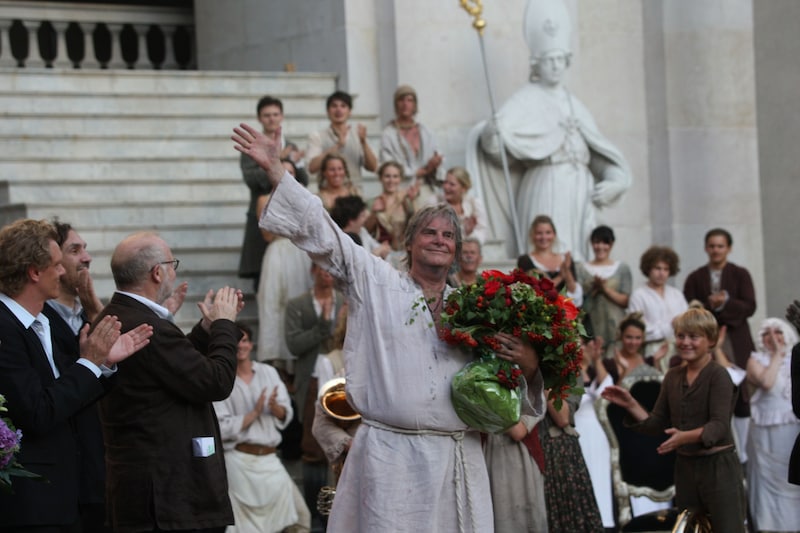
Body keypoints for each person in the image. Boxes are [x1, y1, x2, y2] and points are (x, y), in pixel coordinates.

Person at [232, 121, 545, 532]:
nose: (439, 239)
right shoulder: (375, 281)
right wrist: (277, 172)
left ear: (457, 249)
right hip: (391, 460)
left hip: (459, 460)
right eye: (429, 232)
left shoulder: (474, 309)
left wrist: (530, 365)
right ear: (409, 241)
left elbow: (503, 388)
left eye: (448, 235)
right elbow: (325, 235)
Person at [0, 219, 152, 531]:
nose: (62, 271)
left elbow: (73, 394)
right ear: (34, 271)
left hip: (73, 492)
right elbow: (37, 412)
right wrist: (89, 364)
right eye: (56, 264)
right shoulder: (5, 327)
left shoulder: (45, 320)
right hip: (32, 505)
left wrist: (102, 364)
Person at [95, 232, 244, 533]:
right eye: (172, 264)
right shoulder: (147, 325)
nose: (174, 273)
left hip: (147, 490)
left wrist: (204, 331)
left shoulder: (121, 314)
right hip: (167, 497)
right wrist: (225, 325)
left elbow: (170, 370)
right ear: (157, 272)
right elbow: (215, 382)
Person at [467, 0, 631, 260]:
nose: (555, 66)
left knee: (577, 260)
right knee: (545, 255)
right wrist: (492, 135)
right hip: (545, 185)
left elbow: (599, 158)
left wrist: (616, 180)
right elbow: (500, 153)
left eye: (559, 59)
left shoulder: (575, 103)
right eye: (548, 60)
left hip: (580, 193)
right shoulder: (524, 99)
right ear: (536, 63)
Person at [601, 308, 746, 532]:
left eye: (693, 336)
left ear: (710, 340)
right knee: (689, 528)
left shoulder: (718, 375)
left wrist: (683, 437)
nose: (685, 342)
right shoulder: (673, 376)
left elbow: (718, 426)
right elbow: (656, 423)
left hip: (718, 469)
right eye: (680, 336)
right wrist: (631, 403)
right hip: (686, 468)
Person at [213, 322, 311, 533]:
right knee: (246, 528)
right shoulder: (221, 378)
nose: (241, 345)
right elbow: (219, 427)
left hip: (269, 459)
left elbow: (286, 414)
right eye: (236, 341)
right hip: (238, 462)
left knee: (302, 519)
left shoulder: (268, 372)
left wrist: (274, 407)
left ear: (251, 344)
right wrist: (254, 413)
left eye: (245, 340)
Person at [683, 228, 756, 461]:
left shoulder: (740, 274)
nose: (716, 250)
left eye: (720, 246)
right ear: (706, 248)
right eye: (712, 246)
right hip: (705, 340)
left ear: (728, 248)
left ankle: (744, 453)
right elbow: (690, 307)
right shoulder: (696, 277)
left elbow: (749, 306)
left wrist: (726, 303)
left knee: (741, 390)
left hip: (735, 339)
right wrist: (708, 306)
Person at [284, 263, 345, 529]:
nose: (326, 273)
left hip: (341, 373)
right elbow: (293, 344)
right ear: (312, 272)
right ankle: (315, 516)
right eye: (321, 269)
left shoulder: (345, 301)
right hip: (311, 379)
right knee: (312, 445)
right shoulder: (297, 304)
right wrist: (321, 327)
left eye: (330, 269)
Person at [239, 95, 308, 288]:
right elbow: (251, 180)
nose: (271, 118)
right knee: (261, 276)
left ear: (282, 117)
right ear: (260, 118)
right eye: (267, 115)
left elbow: (304, 180)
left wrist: (293, 163)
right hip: (262, 214)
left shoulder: (291, 146)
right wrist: (275, 161)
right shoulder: (250, 146)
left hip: (290, 215)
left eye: (275, 114)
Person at [255, 160, 314, 364]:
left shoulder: (304, 198)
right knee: (272, 301)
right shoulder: (264, 199)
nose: (285, 175)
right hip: (277, 252)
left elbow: (309, 227)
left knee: (297, 296)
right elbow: (266, 234)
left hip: (300, 252)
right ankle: (276, 357)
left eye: (290, 172)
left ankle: (296, 357)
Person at [745, 317, 800, 532]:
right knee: (768, 483)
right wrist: (777, 354)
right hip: (765, 432)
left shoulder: (795, 358)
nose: (772, 337)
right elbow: (767, 383)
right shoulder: (755, 360)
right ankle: (770, 526)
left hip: (790, 428)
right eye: (767, 333)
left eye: (777, 332)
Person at [379, 85, 444, 210]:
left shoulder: (425, 131)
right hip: (400, 188)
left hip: (426, 187)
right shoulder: (388, 133)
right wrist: (417, 171)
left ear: (415, 104)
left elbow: (437, 154)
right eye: (401, 100)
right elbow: (387, 163)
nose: (405, 104)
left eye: (409, 100)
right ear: (396, 104)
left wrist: (435, 163)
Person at [576, 225, 632, 356]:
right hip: (589, 327)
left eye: (605, 242)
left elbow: (625, 300)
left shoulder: (622, 268)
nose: (600, 246)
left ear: (611, 244)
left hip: (615, 329)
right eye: (597, 242)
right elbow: (578, 299)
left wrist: (604, 289)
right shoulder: (581, 268)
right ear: (592, 243)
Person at [627, 246, 688, 363]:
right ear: (648, 269)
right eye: (657, 268)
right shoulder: (639, 295)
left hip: (679, 350)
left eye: (666, 269)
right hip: (652, 350)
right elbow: (638, 330)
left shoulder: (676, 294)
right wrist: (669, 326)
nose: (661, 273)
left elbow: (688, 322)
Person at [306, 90, 377, 187]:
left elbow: (373, 167)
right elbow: (312, 167)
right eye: (334, 106)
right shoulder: (317, 136)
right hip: (327, 193)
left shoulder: (358, 135)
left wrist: (363, 143)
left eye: (343, 106)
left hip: (354, 193)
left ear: (350, 111)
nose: (338, 110)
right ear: (328, 111)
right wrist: (337, 146)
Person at [517, 215, 583, 306]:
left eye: (548, 232)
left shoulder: (565, 259)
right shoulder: (525, 260)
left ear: (554, 234)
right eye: (539, 233)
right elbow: (535, 290)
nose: (544, 237)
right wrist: (561, 276)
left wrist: (566, 271)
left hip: (565, 311)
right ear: (532, 235)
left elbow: (574, 293)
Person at [364, 160, 414, 252]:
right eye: (387, 176)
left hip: (403, 252)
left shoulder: (406, 202)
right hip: (381, 252)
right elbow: (365, 231)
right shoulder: (372, 202)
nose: (391, 180)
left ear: (400, 179)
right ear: (380, 178)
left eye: (395, 176)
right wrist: (374, 214)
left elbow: (415, 227)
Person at [437, 166, 489, 244]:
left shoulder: (474, 204)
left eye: (452, 184)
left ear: (464, 188)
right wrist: (464, 232)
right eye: (445, 182)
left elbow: (482, 232)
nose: (446, 187)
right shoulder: (436, 203)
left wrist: (469, 234)